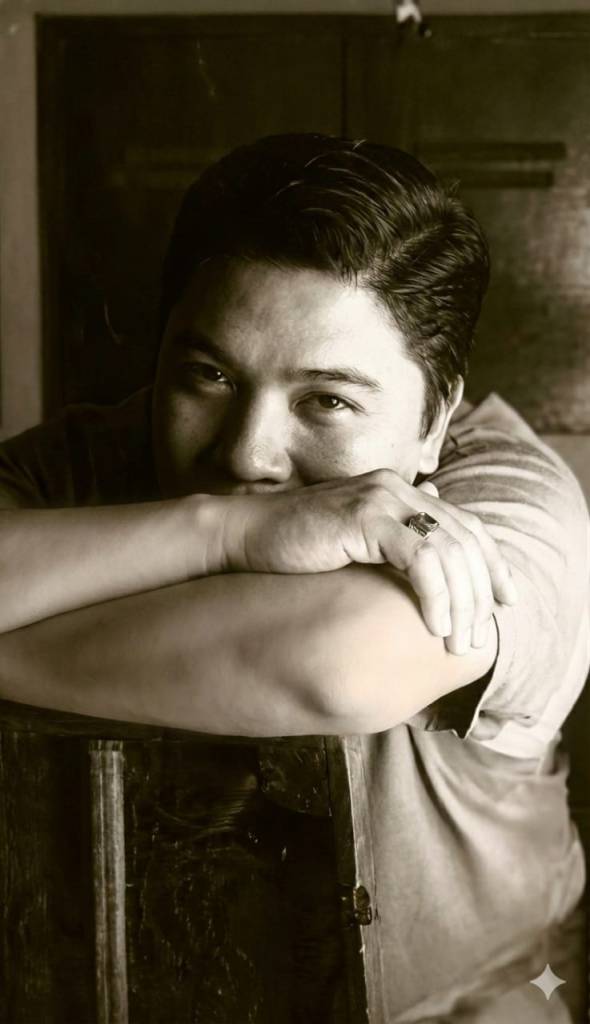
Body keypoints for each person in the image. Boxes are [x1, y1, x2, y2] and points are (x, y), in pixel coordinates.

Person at [0, 134, 587, 1022]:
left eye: (327, 401)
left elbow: (336, 667)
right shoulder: (107, 448)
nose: (247, 452)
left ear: (435, 419)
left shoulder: (511, 498)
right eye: (208, 375)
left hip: (463, 1004)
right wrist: (226, 531)